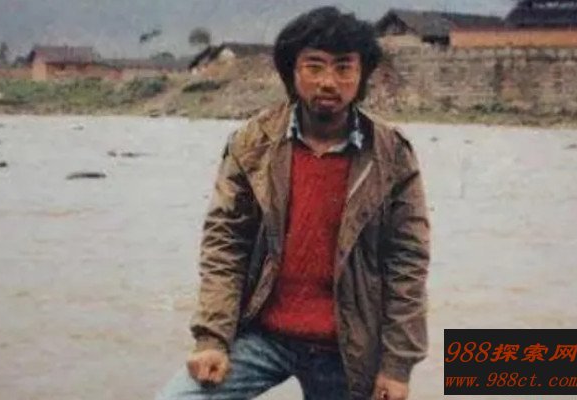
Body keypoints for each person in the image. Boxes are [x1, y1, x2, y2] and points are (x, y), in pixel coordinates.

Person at [156, 6, 430, 400]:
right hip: (264, 333)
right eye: (314, 67)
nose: (328, 82)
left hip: (347, 345)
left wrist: (396, 367)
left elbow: (407, 263)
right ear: (292, 72)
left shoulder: (391, 154)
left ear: (362, 75)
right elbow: (225, 245)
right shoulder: (253, 143)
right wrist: (211, 338)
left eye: (344, 68)